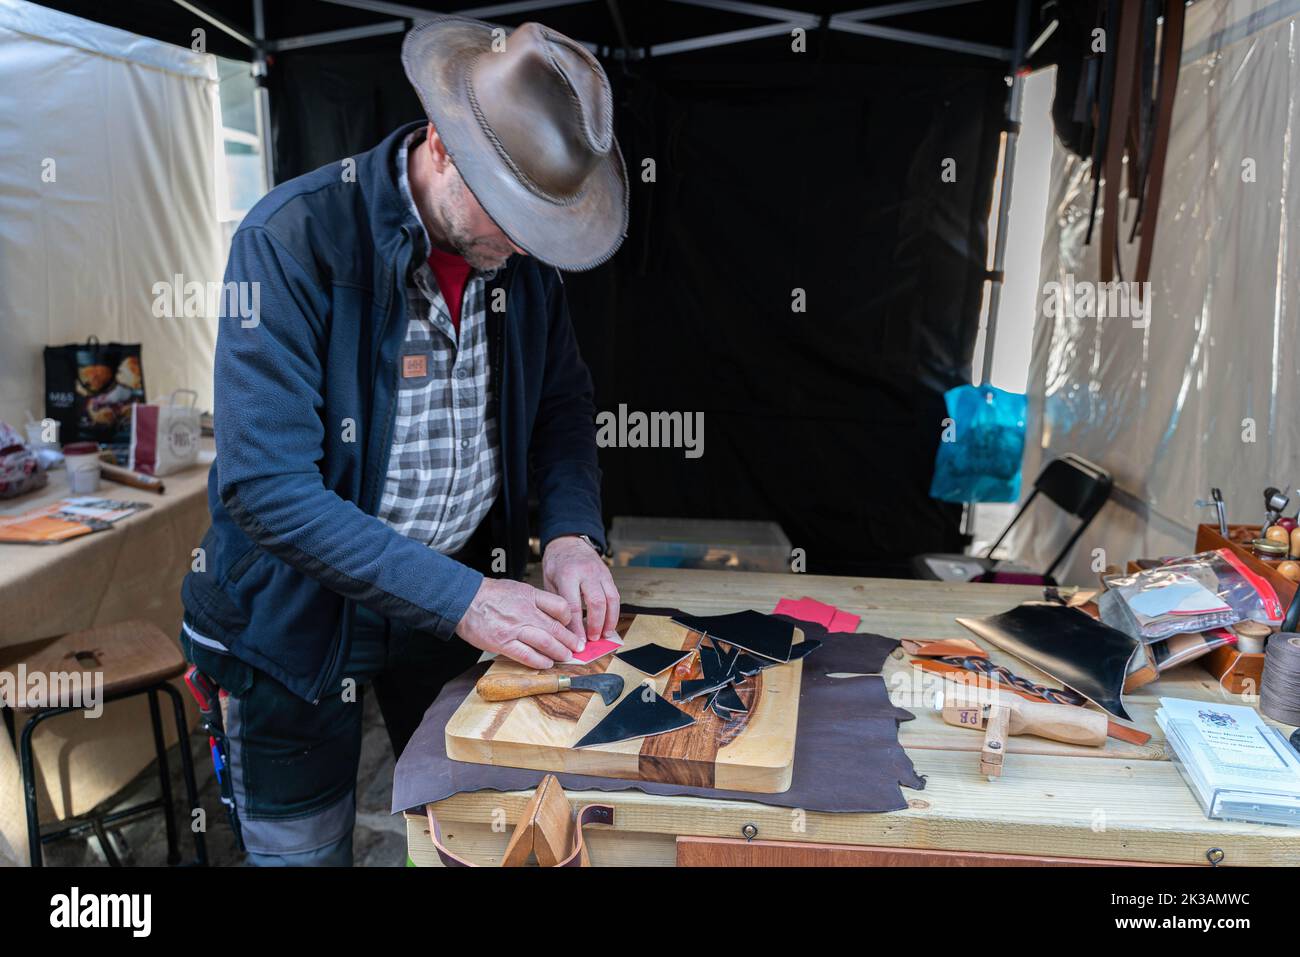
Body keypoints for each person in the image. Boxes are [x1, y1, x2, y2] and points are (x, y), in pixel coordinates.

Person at [179, 16, 628, 865]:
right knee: (301, 850)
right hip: (293, 615)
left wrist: (571, 532)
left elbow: (564, 409)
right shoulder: (290, 241)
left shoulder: (518, 261)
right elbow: (265, 486)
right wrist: (466, 598)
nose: (524, 244)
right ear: (442, 145)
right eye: (509, 214)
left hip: (448, 598)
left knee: (474, 831)